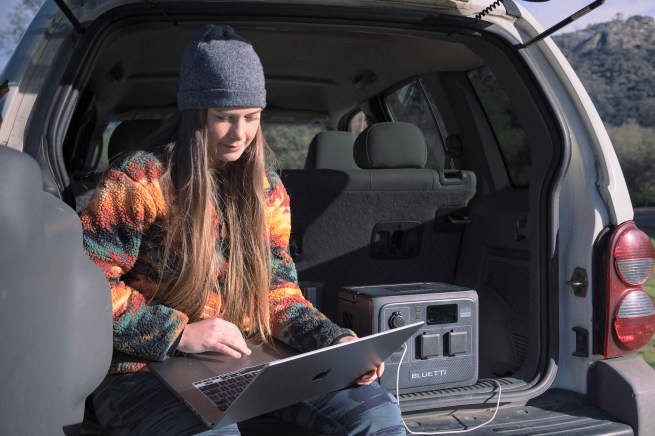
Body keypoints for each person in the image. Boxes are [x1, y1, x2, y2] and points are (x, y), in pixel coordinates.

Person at [81, 24, 405, 435]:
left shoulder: (265, 188)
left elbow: (276, 289)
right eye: (224, 118)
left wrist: (333, 342)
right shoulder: (139, 179)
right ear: (194, 114)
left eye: (251, 117)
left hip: (249, 359)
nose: (240, 134)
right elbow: (87, 288)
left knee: (376, 414)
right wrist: (179, 333)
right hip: (144, 368)